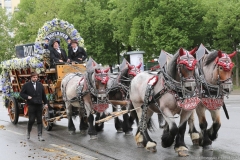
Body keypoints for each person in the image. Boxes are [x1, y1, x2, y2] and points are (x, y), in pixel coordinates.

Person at [20, 72, 48, 141]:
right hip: (31, 105)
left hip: (39, 105)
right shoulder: (26, 85)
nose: (35, 78)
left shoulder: (40, 85)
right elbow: (21, 94)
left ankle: (40, 136)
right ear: (31, 77)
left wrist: (46, 103)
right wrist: (27, 97)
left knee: (39, 120)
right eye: (34, 77)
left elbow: (43, 95)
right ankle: (28, 132)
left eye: (36, 77)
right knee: (31, 120)